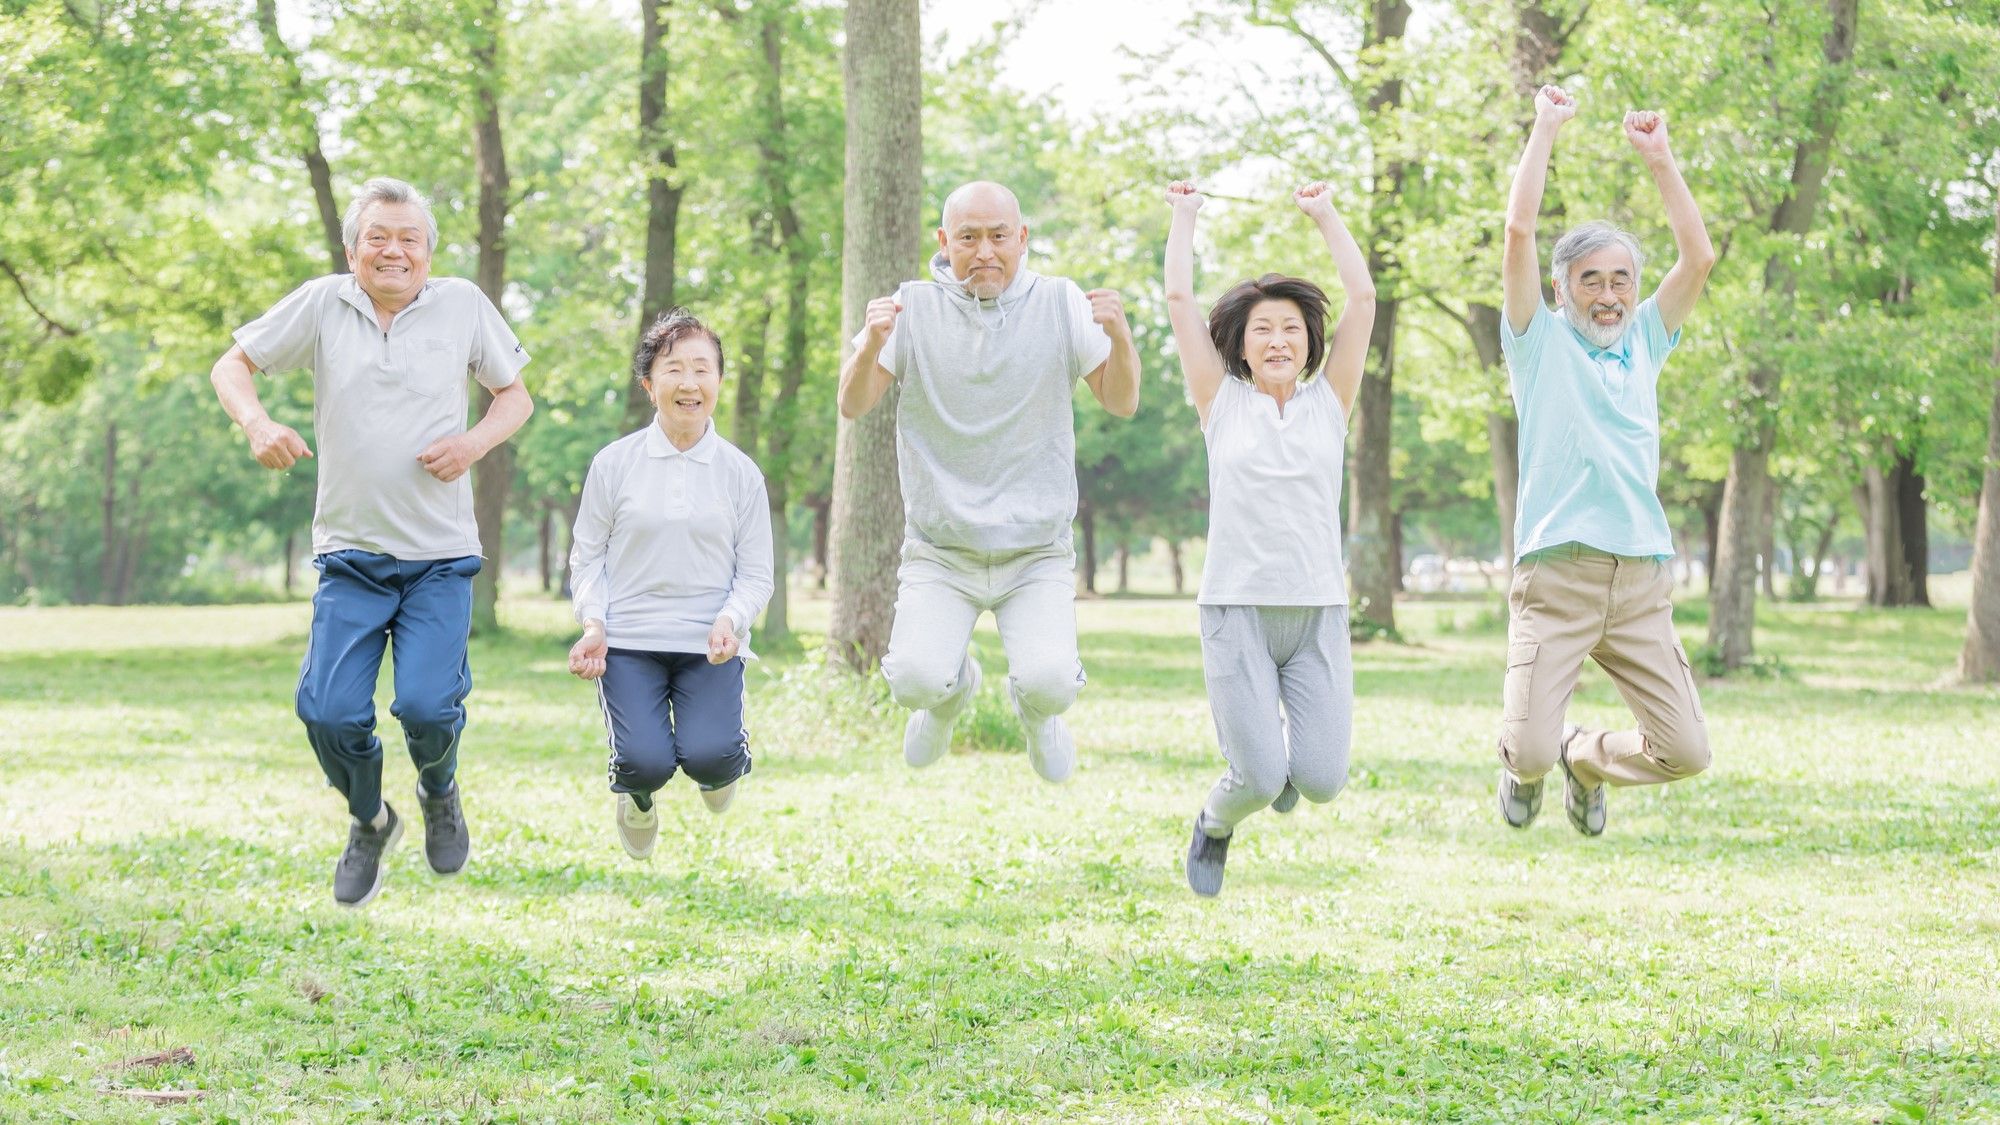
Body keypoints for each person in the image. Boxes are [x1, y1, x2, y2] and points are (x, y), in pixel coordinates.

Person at [209, 176, 533, 907]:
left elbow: (515, 396)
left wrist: (472, 443)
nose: (393, 250)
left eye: (408, 238)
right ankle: (369, 816)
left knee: (427, 705)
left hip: (439, 560)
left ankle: (438, 789)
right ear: (353, 249)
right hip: (351, 556)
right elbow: (232, 365)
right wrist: (258, 424)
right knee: (327, 711)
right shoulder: (326, 303)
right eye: (377, 237)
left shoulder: (460, 307)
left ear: (427, 251)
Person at [838, 181, 1141, 783]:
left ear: (1021, 239)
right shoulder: (910, 306)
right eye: (969, 238)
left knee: (1052, 684)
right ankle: (954, 693)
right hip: (941, 549)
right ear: (944, 242)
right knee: (915, 682)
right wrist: (872, 343)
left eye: (999, 237)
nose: (984, 253)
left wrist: (1122, 337)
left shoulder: (1059, 303)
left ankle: (1037, 717)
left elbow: (1120, 401)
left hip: (1035, 551)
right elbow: (853, 404)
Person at [1495, 86, 1717, 835]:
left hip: (1640, 582)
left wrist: (1660, 158)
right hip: (1557, 576)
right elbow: (1519, 231)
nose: (1610, 293)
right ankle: (1541, 760)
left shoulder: (1646, 342)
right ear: (1563, 289)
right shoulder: (1540, 343)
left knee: (1685, 750)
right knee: (1524, 751)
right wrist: (1545, 127)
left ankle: (1586, 758)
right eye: (1591, 279)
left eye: (1622, 278)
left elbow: (1700, 257)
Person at [1164, 180, 1375, 897]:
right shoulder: (1220, 402)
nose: (1279, 338)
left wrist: (1326, 212)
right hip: (1236, 607)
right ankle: (1215, 822)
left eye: (1291, 327)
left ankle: (1276, 771)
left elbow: (1365, 299)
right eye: (1263, 330)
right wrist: (1184, 216)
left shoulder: (1329, 403)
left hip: (1316, 608)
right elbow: (1179, 305)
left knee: (1320, 780)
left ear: (1310, 341)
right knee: (1254, 778)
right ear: (1242, 348)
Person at [566, 311, 773, 860]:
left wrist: (732, 620)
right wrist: (594, 622)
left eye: (702, 369)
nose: (688, 383)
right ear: (648, 385)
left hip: (710, 643)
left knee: (712, 757)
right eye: (673, 369)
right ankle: (636, 797)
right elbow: (586, 558)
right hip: (628, 641)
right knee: (645, 763)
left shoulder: (740, 473)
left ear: (719, 383)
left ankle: (720, 764)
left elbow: (756, 574)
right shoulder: (613, 465)